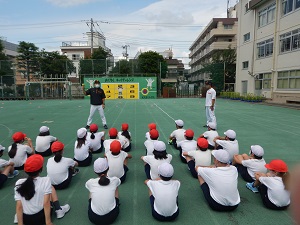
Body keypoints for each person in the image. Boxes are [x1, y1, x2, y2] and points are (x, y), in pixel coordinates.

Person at [14, 154, 70, 225]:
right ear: (41, 169)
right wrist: (48, 223)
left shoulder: (19, 183)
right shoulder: (46, 180)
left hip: (26, 219)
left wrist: (20, 223)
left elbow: (19, 206)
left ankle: (17, 217)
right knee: (51, 188)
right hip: (41, 218)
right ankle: (58, 209)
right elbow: (46, 203)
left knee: (23, 201)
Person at [85, 158, 121, 225]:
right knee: (115, 186)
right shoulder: (115, 180)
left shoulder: (90, 182)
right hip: (111, 217)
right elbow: (118, 182)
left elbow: (89, 186)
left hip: (93, 218)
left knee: (91, 190)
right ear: (108, 168)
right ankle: (117, 202)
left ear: (95, 171)